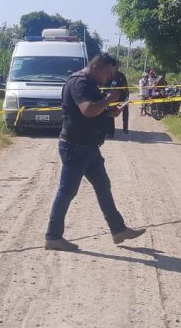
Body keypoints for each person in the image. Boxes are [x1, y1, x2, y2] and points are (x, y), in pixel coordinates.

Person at [45, 53, 146, 251]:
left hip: (89, 146)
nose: (109, 77)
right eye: (108, 72)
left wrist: (109, 110)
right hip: (75, 146)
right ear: (96, 67)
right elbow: (88, 110)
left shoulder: (90, 83)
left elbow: (95, 110)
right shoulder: (79, 82)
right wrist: (108, 99)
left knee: (103, 186)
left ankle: (118, 230)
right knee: (67, 191)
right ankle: (53, 236)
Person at [106, 68, 129, 137]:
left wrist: (127, 98)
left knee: (125, 112)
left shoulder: (121, 76)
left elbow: (126, 87)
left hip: (122, 98)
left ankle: (125, 128)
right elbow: (105, 87)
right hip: (112, 99)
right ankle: (110, 133)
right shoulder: (108, 75)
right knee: (110, 114)